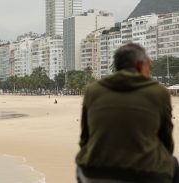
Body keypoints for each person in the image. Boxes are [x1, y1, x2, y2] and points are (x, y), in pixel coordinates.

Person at [76, 43, 178, 183]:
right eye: (149, 65)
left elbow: (85, 140)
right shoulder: (158, 92)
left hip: (94, 172)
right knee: (174, 165)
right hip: (146, 175)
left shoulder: (92, 90)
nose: (150, 70)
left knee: (82, 163)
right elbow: (167, 143)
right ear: (139, 65)